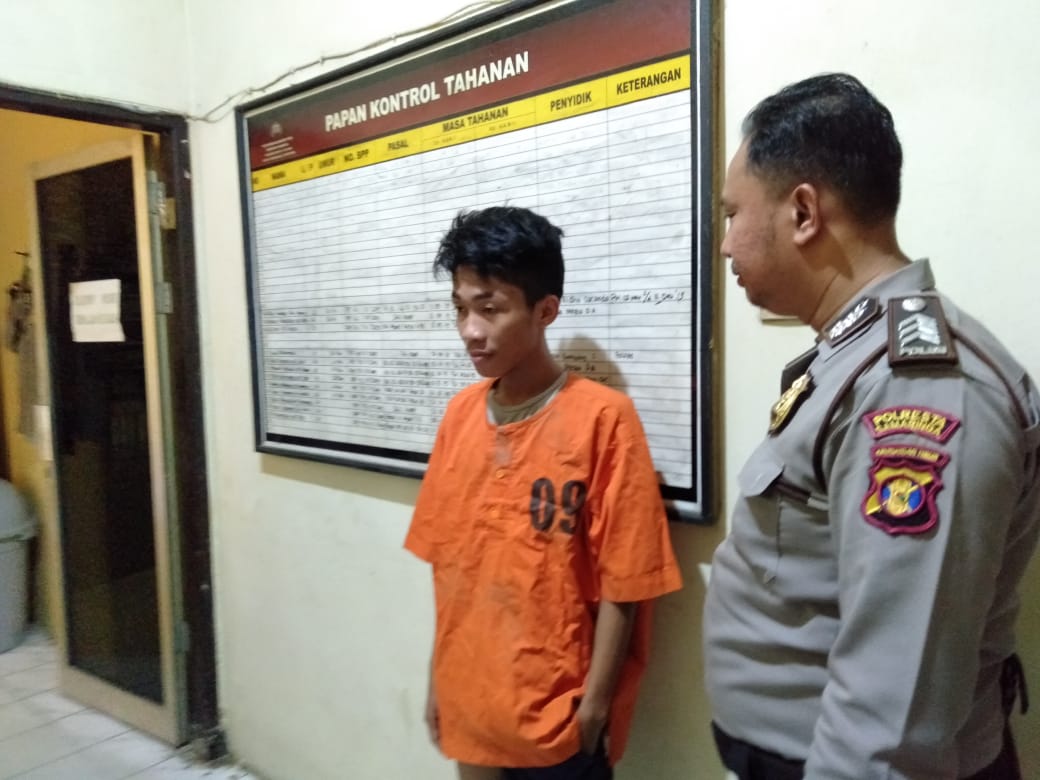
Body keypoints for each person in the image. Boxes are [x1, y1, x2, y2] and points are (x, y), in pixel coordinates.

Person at [704, 73, 1040, 779]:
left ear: (803, 212)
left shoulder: (918, 388)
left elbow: (893, 711)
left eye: (732, 215)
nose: (726, 245)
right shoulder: (857, 358)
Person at [404, 206, 682, 780]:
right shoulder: (459, 416)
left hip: (558, 713)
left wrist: (596, 707)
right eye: (460, 308)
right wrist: (439, 678)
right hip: (472, 697)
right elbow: (450, 569)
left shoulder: (603, 419)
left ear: (545, 310)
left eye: (490, 309)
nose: (470, 330)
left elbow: (627, 580)